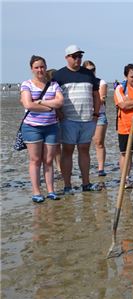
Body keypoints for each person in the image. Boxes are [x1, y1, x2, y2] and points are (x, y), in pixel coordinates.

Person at [52, 45, 102, 194]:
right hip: (69, 120)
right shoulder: (59, 76)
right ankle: (67, 185)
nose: (78, 59)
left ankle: (86, 183)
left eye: (80, 56)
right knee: (67, 151)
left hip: (87, 120)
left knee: (84, 150)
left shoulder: (88, 74)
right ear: (67, 58)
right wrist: (59, 113)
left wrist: (95, 114)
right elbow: (52, 96)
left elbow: (96, 96)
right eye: (74, 56)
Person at [20, 55, 64, 202]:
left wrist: (40, 101)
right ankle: (37, 192)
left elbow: (60, 102)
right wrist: (47, 107)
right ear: (32, 69)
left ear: (46, 67)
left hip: (51, 127)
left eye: (42, 67)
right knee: (35, 160)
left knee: (49, 160)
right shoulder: (26, 84)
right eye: (37, 67)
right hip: (32, 127)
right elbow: (28, 104)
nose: (40, 70)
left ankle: (51, 190)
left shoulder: (53, 84)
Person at [82, 60, 108, 176]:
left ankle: (101, 168)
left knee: (98, 142)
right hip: (84, 115)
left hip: (99, 115)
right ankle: (85, 169)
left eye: (93, 70)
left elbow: (101, 99)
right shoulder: (82, 83)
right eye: (88, 70)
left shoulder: (100, 82)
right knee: (83, 144)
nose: (91, 72)